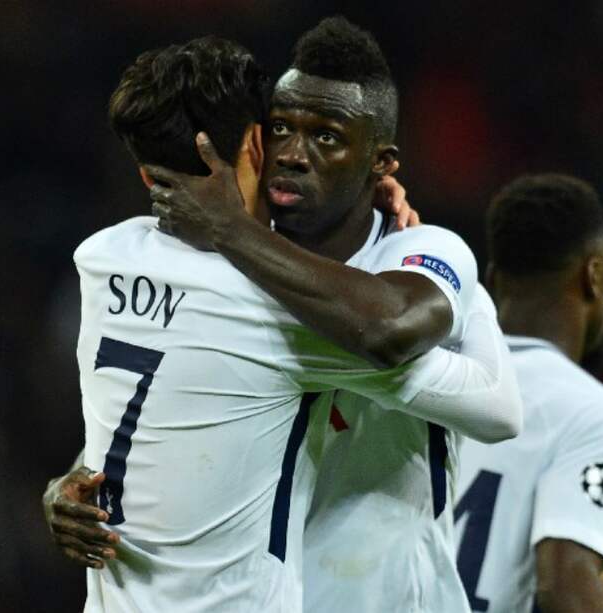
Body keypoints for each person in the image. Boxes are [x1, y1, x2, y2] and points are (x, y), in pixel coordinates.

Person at [55, 31, 521, 613]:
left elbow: (499, 409)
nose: (295, 153)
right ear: (256, 141)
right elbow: (174, 400)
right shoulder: (245, 282)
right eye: (281, 128)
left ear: (381, 164)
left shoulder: (421, 255)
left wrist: (468, 293)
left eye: (326, 137)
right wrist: (79, 474)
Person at [453, 174, 603, 613]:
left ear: (494, 279)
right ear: (595, 275)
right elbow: (564, 587)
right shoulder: (591, 412)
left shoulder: (430, 376)